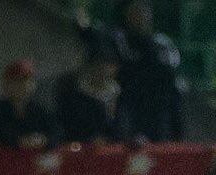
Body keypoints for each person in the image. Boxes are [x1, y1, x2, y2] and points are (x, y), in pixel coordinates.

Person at [76, 1, 184, 143]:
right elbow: (92, 36)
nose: (139, 17)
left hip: (156, 110)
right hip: (129, 104)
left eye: (143, 12)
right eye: (134, 12)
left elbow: (169, 80)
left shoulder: (161, 45)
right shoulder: (117, 39)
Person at [56, 36, 129, 145]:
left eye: (108, 65)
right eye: (98, 64)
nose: (102, 70)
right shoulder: (73, 95)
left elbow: (124, 129)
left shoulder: (120, 95)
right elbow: (69, 129)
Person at [0, 59, 56, 151]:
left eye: (28, 81)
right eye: (18, 81)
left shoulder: (41, 110)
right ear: (6, 85)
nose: (24, 86)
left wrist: (43, 140)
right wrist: (17, 141)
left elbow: (56, 133)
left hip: (33, 162)